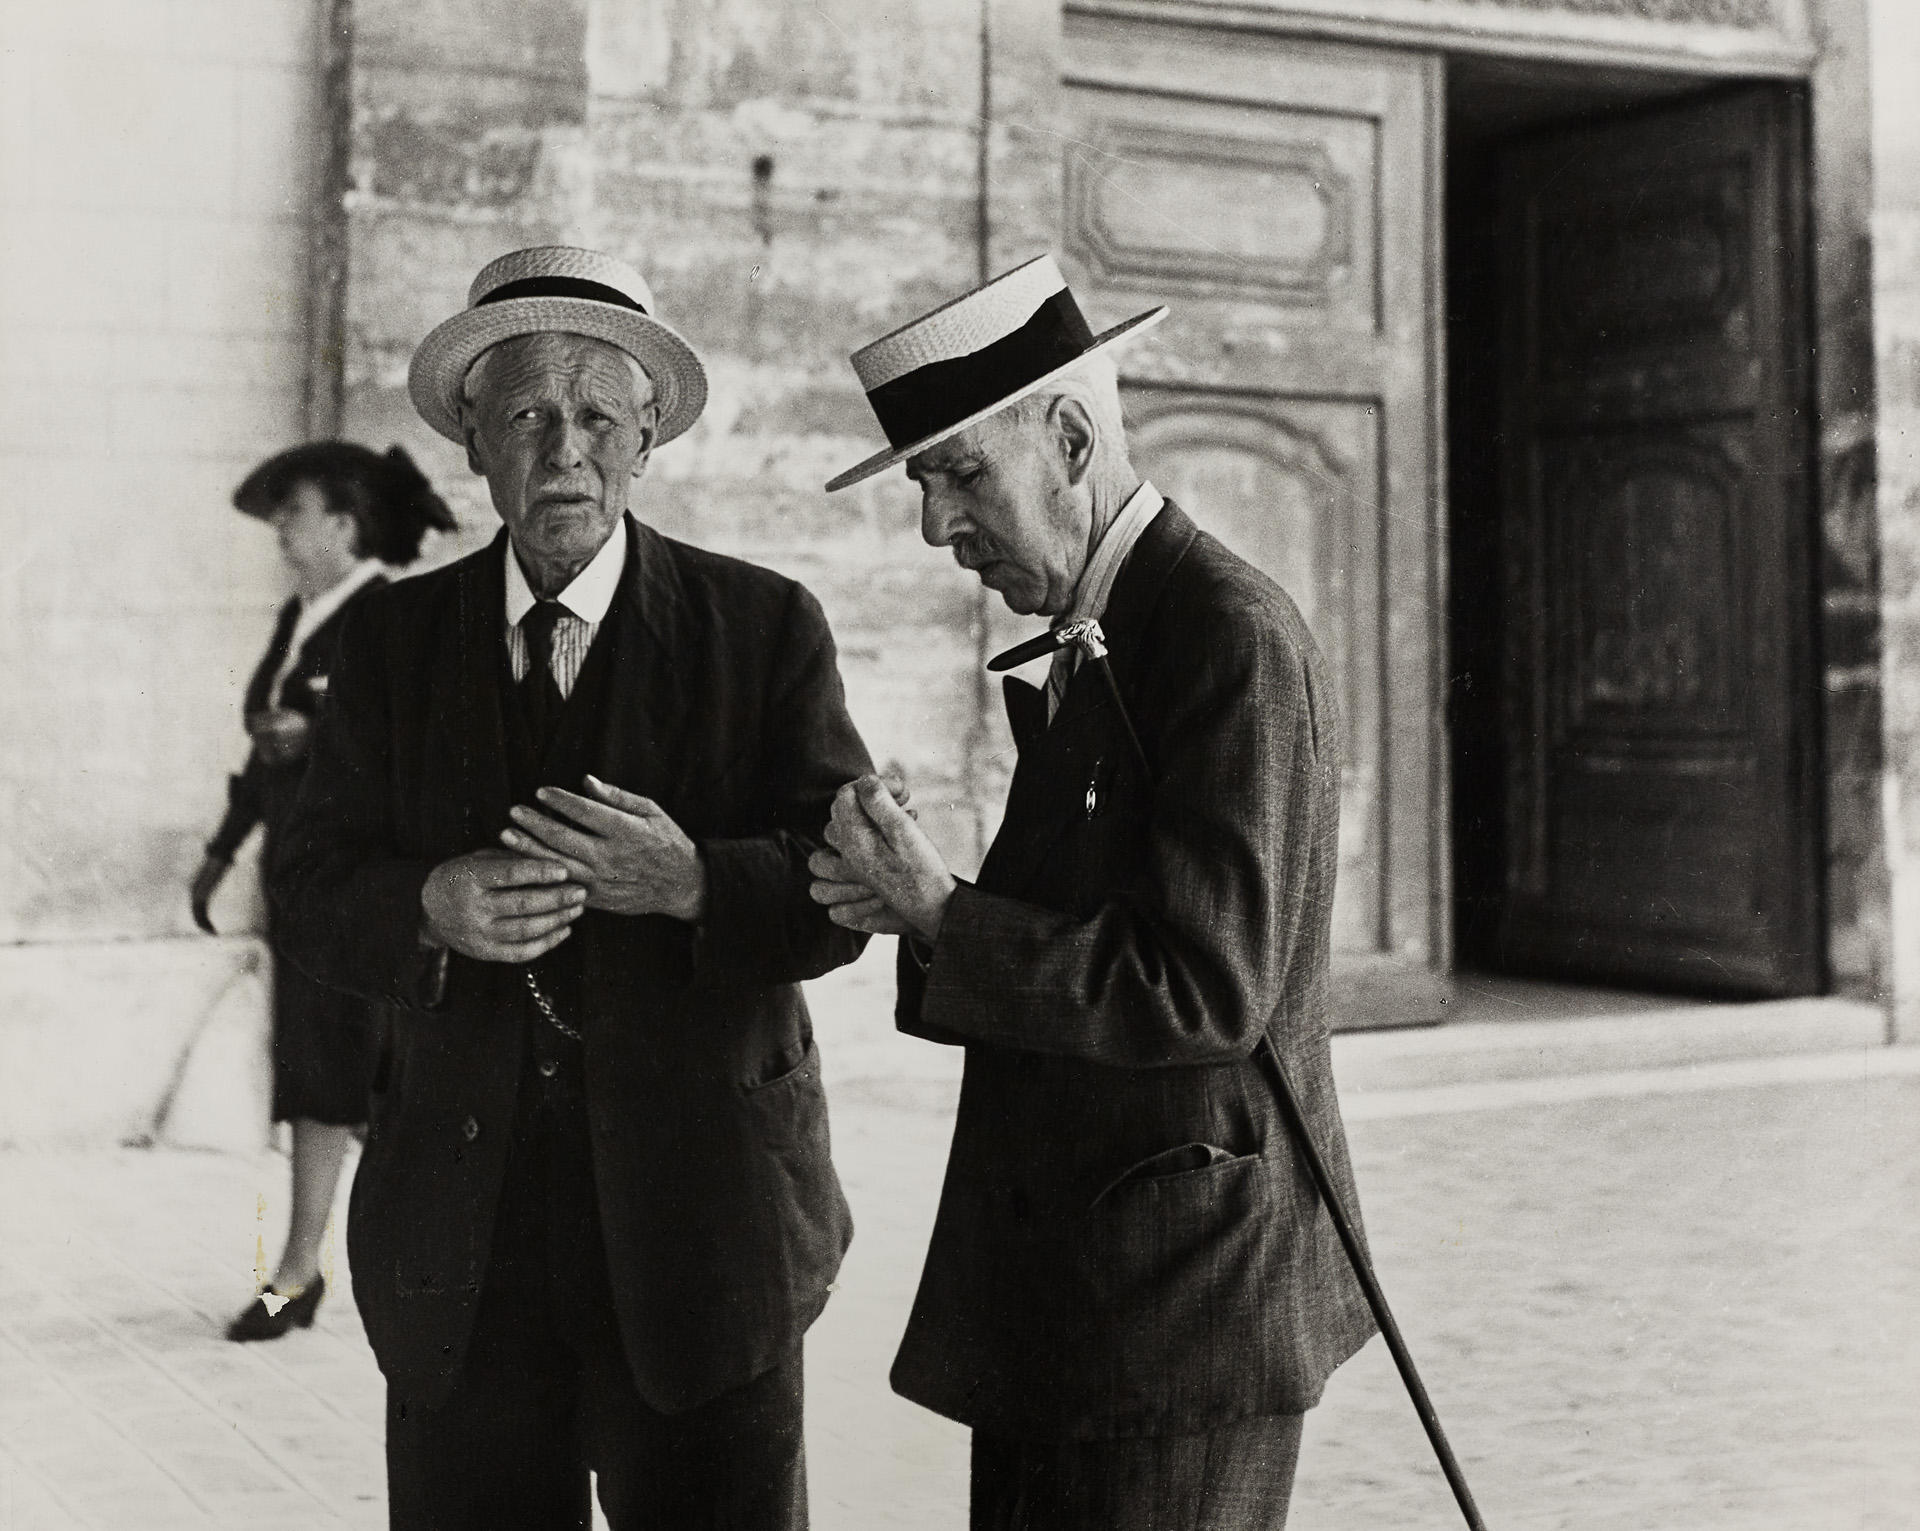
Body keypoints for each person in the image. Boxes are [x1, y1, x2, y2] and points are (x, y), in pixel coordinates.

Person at [269, 246, 871, 1531]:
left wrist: (696, 880)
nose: (565, 452)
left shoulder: (766, 627)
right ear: (472, 441)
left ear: (648, 438)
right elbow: (309, 885)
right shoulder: (386, 642)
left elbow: (846, 895)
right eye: (530, 417)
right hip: (463, 1255)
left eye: (600, 416)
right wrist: (425, 903)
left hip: (708, 1245)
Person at [809, 255, 1377, 1529]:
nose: (936, 526)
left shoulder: (1227, 633)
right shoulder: (1111, 624)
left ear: (1070, 437)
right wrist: (922, 901)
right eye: (923, 483)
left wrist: (945, 915)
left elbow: (1202, 986)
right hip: (1082, 1298)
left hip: (1182, 1317)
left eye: (960, 474)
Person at [193, 440, 454, 1342]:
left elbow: (419, 748)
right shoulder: (303, 618)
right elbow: (262, 752)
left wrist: (320, 736)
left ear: (344, 525)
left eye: (292, 513)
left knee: (346, 1078)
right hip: (302, 888)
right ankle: (310, 1269)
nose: (279, 531)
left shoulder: (394, 616)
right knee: (327, 1074)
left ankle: (307, 1271)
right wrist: (223, 853)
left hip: (363, 891)